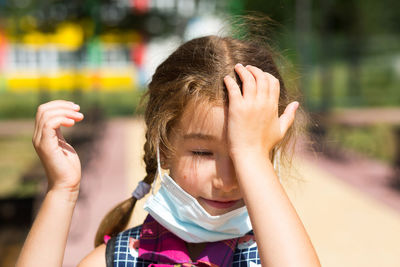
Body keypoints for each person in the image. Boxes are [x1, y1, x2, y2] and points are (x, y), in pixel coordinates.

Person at [16, 35, 321, 267]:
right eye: (203, 153)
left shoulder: (276, 253)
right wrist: (62, 191)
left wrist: (253, 157)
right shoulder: (124, 258)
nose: (226, 180)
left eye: (245, 156)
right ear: (164, 145)